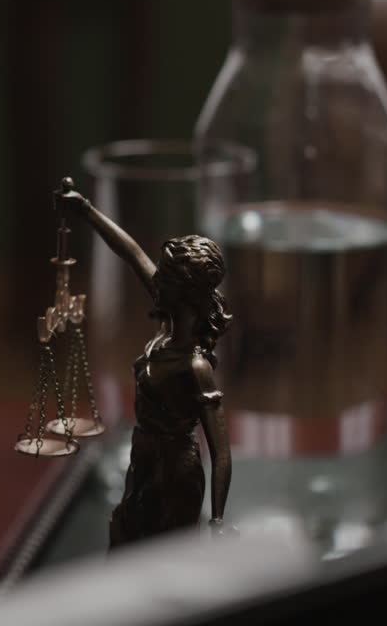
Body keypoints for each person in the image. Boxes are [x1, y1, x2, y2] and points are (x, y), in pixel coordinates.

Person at [54, 179, 232, 547]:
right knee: (124, 537)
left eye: (163, 277)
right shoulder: (169, 320)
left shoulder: (196, 367)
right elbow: (130, 251)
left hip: (174, 475)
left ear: (183, 293)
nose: (154, 280)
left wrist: (216, 518)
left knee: (157, 555)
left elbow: (222, 452)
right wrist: (85, 208)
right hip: (144, 457)